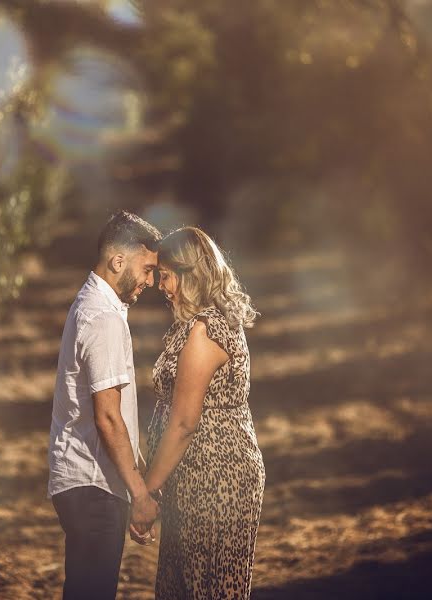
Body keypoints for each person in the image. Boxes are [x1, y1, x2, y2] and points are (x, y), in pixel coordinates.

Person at [141, 226, 266, 599]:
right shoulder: (202, 323)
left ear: (188, 274)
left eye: (165, 276)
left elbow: (182, 424)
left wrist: (147, 493)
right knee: (189, 585)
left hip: (214, 480)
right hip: (196, 476)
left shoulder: (204, 331)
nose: (160, 286)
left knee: (207, 587)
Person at [47, 210, 162, 600]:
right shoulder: (103, 318)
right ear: (118, 261)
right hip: (93, 486)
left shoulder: (94, 306)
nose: (151, 280)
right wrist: (140, 495)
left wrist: (137, 477)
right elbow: (108, 417)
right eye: (147, 269)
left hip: (85, 483)